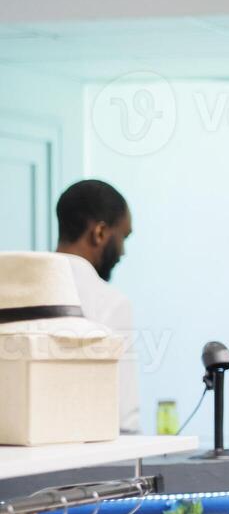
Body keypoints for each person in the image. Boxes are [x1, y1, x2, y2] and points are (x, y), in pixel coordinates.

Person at [53, 179, 138, 433]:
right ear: (99, 233)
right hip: (88, 466)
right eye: (123, 236)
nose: (122, 251)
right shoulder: (111, 304)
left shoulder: (13, 290)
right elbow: (126, 419)